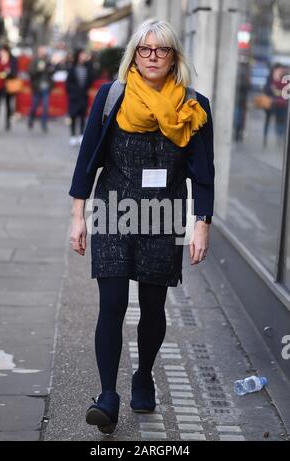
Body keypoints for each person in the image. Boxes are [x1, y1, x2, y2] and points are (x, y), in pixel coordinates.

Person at [68, 18, 215, 434]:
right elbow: (87, 160)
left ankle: (143, 375)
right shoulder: (111, 97)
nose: (152, 57)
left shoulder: (193, 105)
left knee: (152, 308)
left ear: (174, 57)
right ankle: (107, 395)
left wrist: (201, 222)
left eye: (161, 50)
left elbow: (204, 172)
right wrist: (78, 215)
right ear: (134, 55)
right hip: (113, 208)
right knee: (112, 303)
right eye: (145, 50)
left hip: (165, 214)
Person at [66, 49, 94, 146]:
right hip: (74, 96)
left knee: (83, 116)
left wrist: (89, 61)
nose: (83, 56)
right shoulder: (72, 68)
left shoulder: (88, 67)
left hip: (83, 96)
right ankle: (73, 135)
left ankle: (81, 134)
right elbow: (68, 83)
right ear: (78, 55)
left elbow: (92, 78)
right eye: (82, 54)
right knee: (73, 116)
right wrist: (72, 92)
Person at [28, 46, 54, 132]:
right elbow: (31, 73)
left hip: (46, 87)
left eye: (44, 51)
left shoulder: (48, 61)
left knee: (45, 106)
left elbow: (52, 72)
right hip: (36, 87)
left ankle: (44, 124)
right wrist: (38, 70)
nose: (43, 53)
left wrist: (50, 69)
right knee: (34, 105)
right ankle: (31, 119)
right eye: (41, 51)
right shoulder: (34, 61)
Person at [0, 45, 17, 131]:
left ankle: (7, 123)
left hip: (8, 86)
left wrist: (8, 73)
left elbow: (14, 73)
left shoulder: (12, 61)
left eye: (3, 52)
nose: (2, 53)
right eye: (1, 52)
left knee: (8, 105)